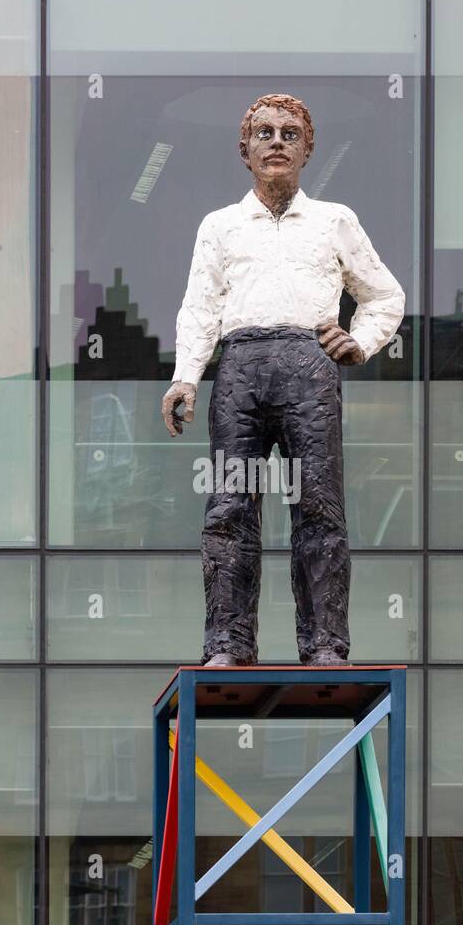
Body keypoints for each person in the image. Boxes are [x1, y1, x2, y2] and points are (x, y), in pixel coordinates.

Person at [161, 93, 406, 666]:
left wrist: (359, 341)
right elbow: (199, 307)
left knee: (318, 508)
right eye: (265, 133)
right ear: (244, 150)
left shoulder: (334, 220)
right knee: (229, 508)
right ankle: (227, 643)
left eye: (290, 134)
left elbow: (385, 296)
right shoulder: (219, 226)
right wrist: (186, 379)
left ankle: (325, 645)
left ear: (307, 149)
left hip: (308, 370)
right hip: (241, 370)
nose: (277, 142)